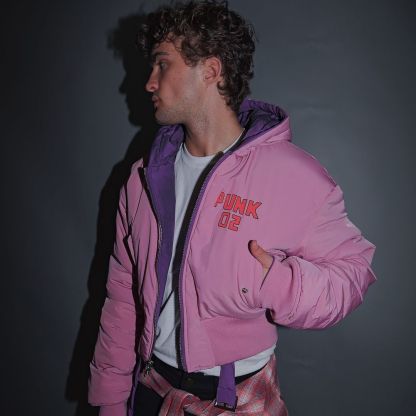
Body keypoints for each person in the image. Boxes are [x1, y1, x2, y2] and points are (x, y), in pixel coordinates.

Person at [88, 1, 377, 415]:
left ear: (210, 70)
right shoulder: (142, 178)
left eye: (162, 64)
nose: (149, 82)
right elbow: (122, 298)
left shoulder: (293, 176)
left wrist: (279, 284)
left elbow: (353, 273)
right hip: (152, 391)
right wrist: (111, 401)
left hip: (237, 398)